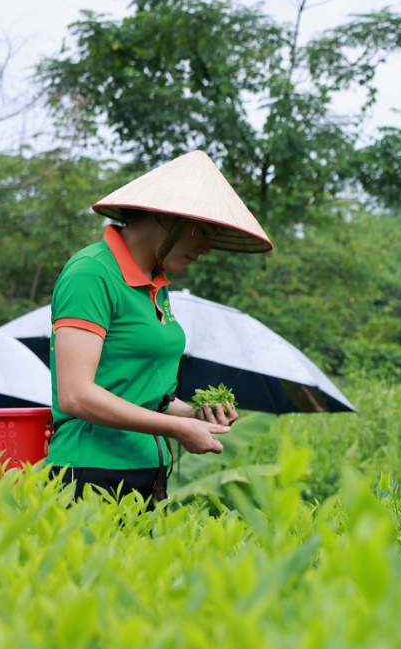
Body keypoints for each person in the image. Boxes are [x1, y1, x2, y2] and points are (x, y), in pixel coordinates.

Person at [49, 151, 273, 503]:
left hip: (148, 473)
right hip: (90, 471)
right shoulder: (91, 274)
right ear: (167, 218)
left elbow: (142, 396)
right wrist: (178, 428)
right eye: (204, 230)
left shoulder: (157, 283)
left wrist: (196, 414)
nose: (206, 248)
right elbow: (76, 394)